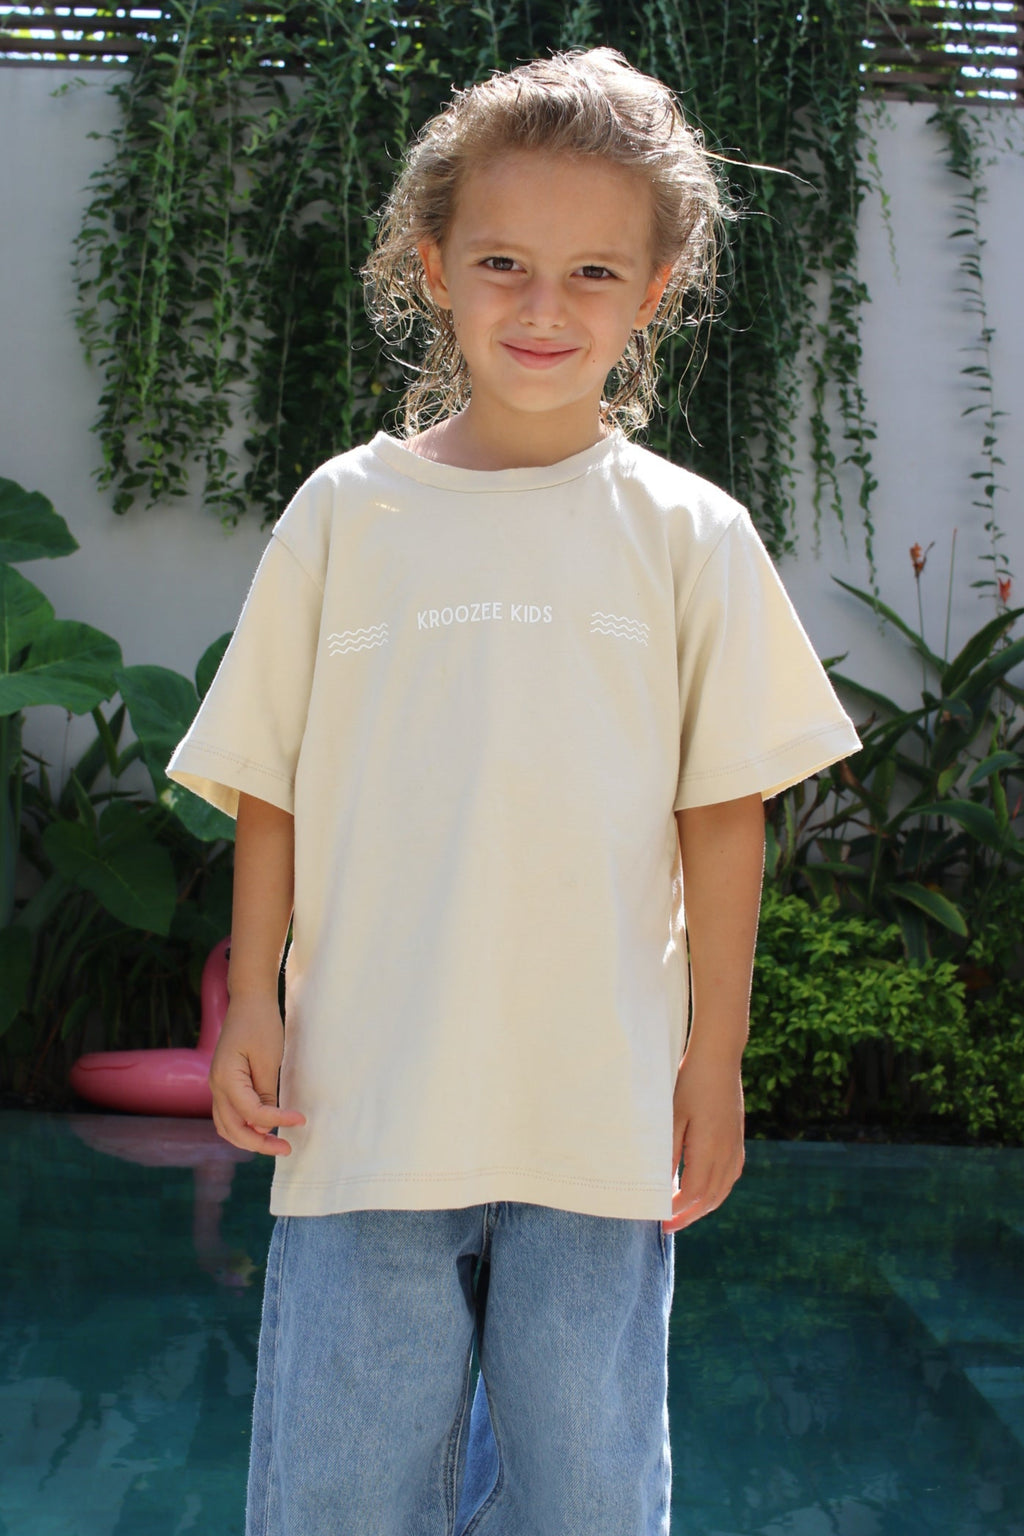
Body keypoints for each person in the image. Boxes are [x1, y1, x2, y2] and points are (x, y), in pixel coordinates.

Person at [168, 47, 860, 1536]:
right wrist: (256, 1004)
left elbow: (722, 812)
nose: (544, 309)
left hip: (597, 1109)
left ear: (657, 289)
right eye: (502, 263)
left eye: (594, 273)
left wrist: (714, 1059)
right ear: (433, 265)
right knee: (339, 1498)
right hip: (363, 1107)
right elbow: (273, 778)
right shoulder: (347, 515)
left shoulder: (690, 534)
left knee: (592, 1499)